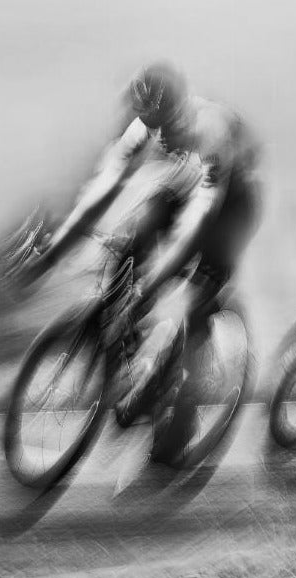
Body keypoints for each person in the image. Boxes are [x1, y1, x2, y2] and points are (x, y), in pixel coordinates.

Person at [29, 62, 263, 463]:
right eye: (151, 125)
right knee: (135, 231)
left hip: (232, 203)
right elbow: (100, 192)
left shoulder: (208, 129)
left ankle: (185, 404)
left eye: (165, 126)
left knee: (195, 299)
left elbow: (197, 222)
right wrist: (55, 253)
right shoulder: (144, 127)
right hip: (189, 188)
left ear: (178, 112)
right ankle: (129, 353)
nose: (160, 135)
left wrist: (156, 282)